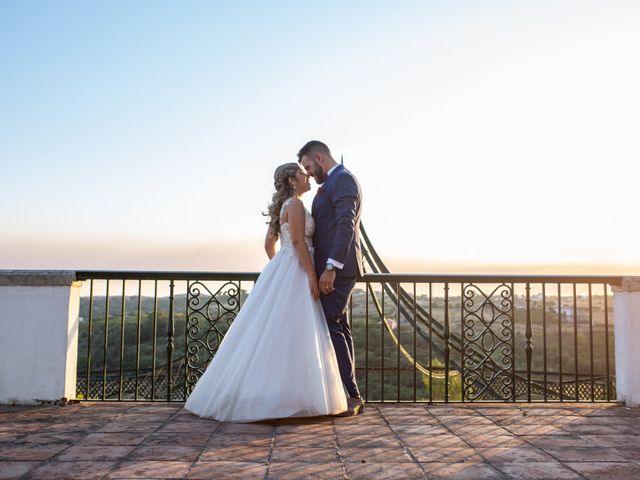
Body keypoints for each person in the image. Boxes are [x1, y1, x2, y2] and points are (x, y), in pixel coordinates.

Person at [184, 163, 347, 422]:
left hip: (287, 268)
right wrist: (310, 275)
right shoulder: (294, 205)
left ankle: (281, 395)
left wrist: (279, 267)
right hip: (298, 269)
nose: (307, 177)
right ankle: (291, 398)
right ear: (292, 181)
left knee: (279, 332)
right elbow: (296, 241)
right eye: (302, 174)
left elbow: (269, 244)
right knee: (294, 332)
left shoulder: (285, 206)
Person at [297, 140, 365, 416]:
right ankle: (348, 392)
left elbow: (344, 224)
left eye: (308, 166)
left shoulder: (343, 180)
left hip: (338, 269)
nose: (309, 173)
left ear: (319, 157)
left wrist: (331, 266)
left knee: (331, 326)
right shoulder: (332, 183)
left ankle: (350, 395)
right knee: (338, 326)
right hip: (332, 267)